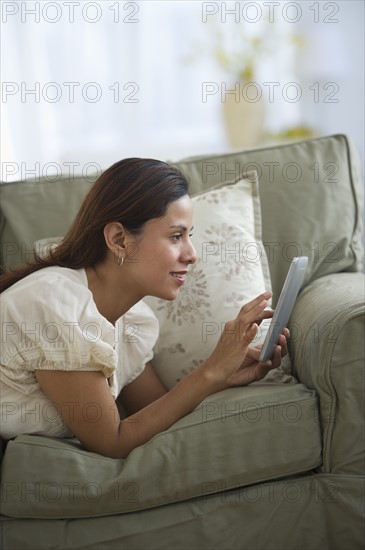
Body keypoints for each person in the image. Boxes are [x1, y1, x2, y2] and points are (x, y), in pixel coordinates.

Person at [0, 158, 288, 459]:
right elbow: (112, 442)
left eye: (190, 235)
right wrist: (211, 369)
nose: (192, 255)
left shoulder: (129, 321)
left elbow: (152, 412)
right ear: (119, 240)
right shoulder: (53, 305)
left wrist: (224, 376)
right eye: (176, 236)